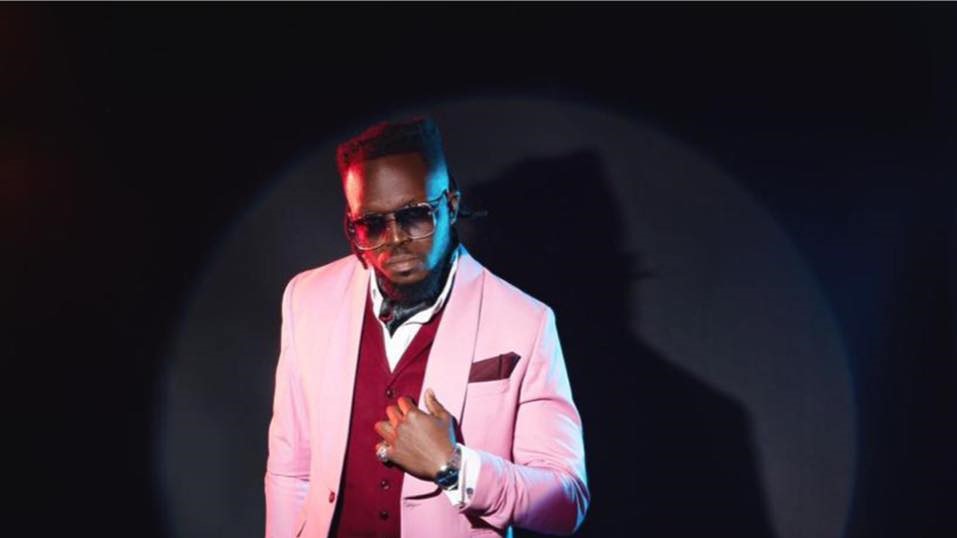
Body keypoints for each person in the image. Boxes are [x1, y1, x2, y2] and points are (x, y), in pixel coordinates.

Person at [264, 116, 589, 538]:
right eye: (372, 224)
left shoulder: (524, 322)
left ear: (451, 204)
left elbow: (566, 502)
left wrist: (453, 466)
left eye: (415, 216)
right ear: (352, 222)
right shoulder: (307, 298)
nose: (394, 239)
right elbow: (290, 474)